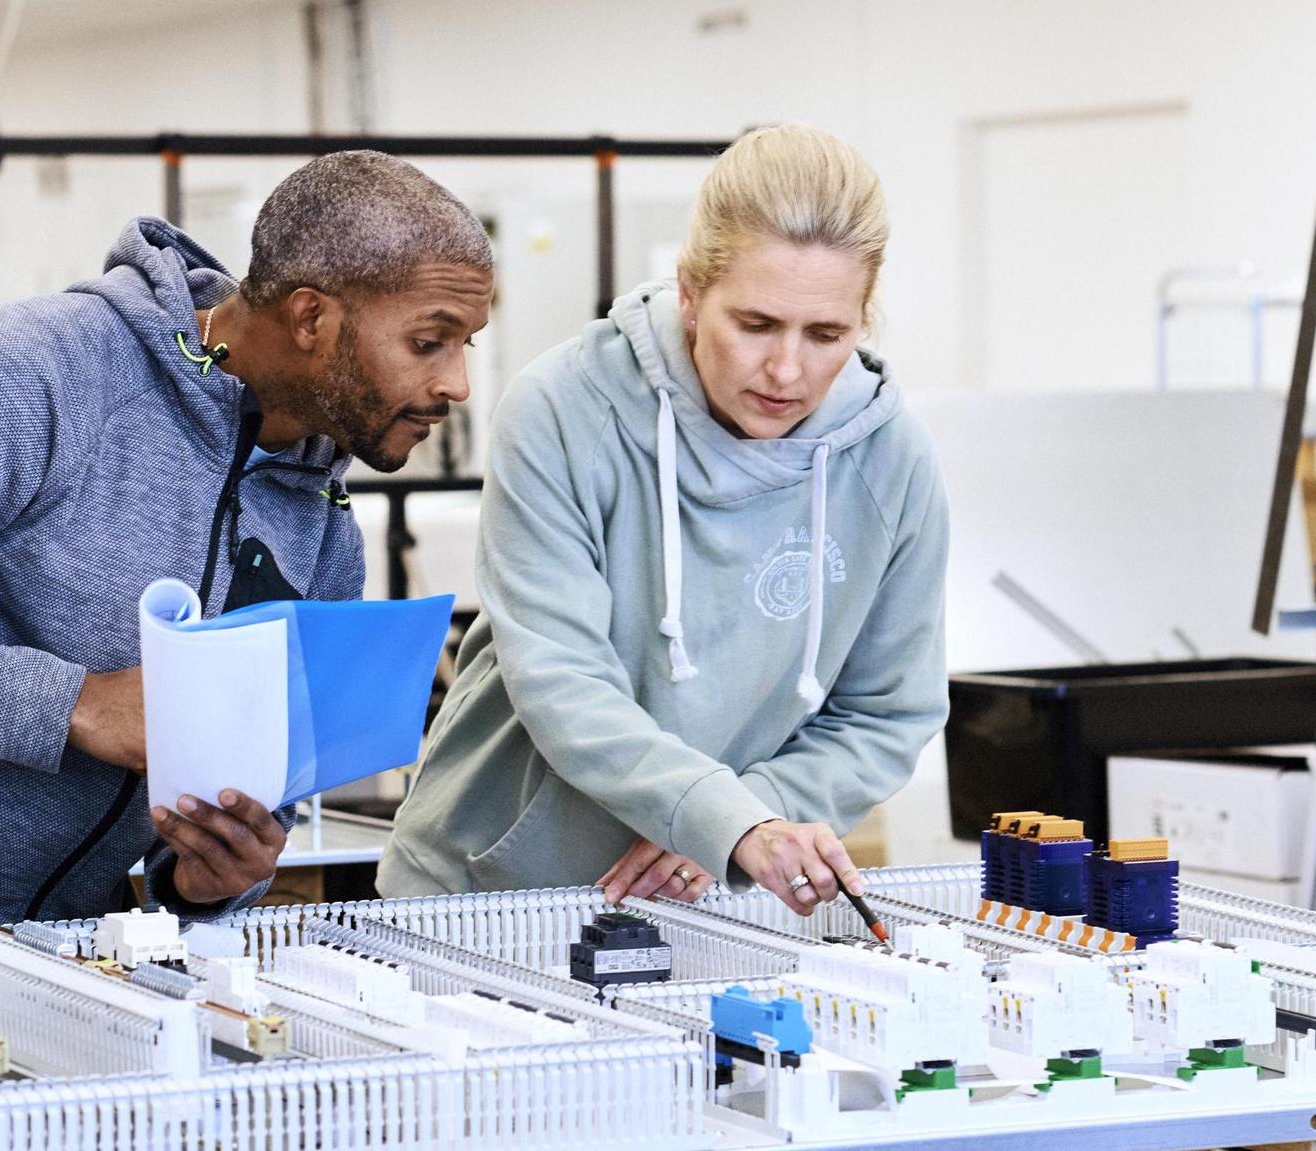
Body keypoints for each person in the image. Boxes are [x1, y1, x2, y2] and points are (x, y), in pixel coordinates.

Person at [0, 151, 493, 938]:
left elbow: (230, 814)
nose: (457, 384)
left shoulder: (319, 521)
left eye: (467, 344)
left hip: (67, 969)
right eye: (431, 342)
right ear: (310, 318)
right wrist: (75, 705)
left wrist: (206, 881)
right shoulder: (23, 378)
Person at [379, 124, 946, 916]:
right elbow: (563, 681)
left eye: (826, 335)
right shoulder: (563, 411)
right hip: (491, 889)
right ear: (688, 292)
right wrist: (725, 820)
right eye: (754, 325)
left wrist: (743, 819)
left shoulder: (892, 461)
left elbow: (889, 710)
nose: (787, 369)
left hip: (713, 895)